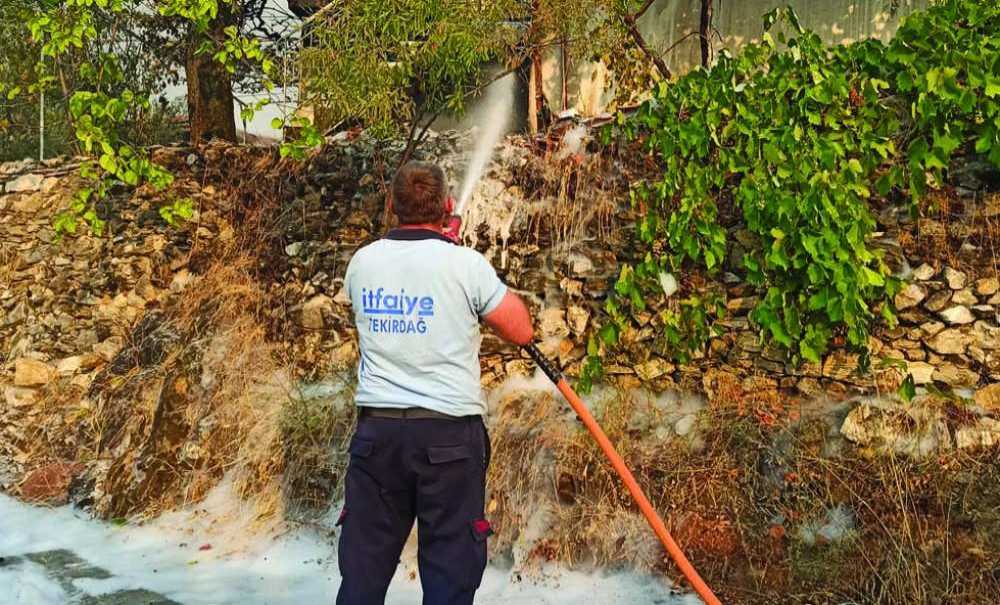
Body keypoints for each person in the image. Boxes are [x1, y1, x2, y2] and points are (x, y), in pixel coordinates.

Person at [336, 161, 534, 605]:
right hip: (449, 440)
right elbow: (522, 330)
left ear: (392, 206)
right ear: (447, 206)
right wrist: (453, 259)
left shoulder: (361, 263)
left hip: (377, 438)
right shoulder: (466, 265)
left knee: (362, 574)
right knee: (449, 574)